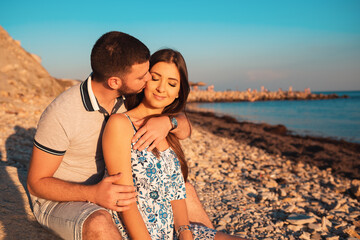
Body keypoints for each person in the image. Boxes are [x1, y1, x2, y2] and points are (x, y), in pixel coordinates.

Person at [26, 32, 203, 240]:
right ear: (114, 81)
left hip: (110, 187)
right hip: (61, 201)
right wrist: (91, 193)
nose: (149, 80)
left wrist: (169, 121)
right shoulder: (62, 113)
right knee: (99, 221)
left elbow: (183, 126)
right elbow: (36, 183)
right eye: (145, 76)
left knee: (186, 190)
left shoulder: (124, 99)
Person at [102, 49, 245, 240]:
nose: (162, 88)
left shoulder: (166, 128)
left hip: (173, 232)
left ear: (179, 92)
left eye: (171, 83)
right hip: (139, 234)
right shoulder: (120, 124)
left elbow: (176, 191)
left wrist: (185, 233)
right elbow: (124, 199)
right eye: (155, 78)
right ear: (144, 80)